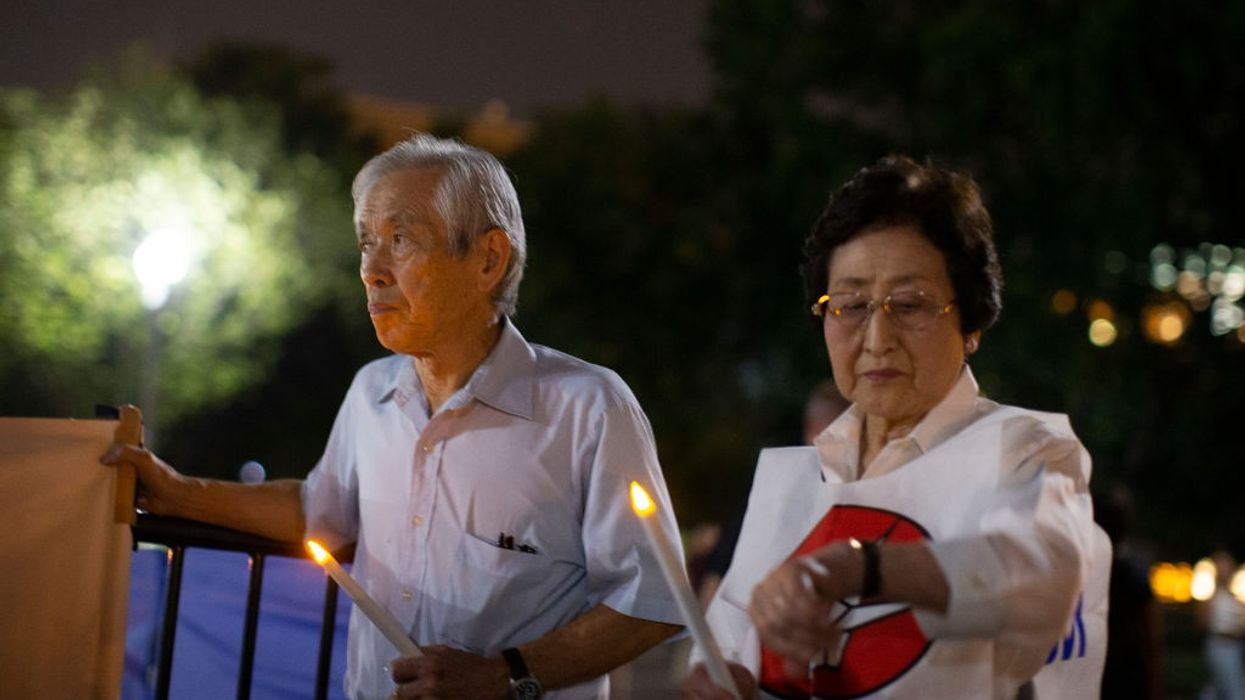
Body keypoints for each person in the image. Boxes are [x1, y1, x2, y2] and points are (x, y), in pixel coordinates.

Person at [103, 134, 684, 700]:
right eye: (365, 244)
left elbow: (653, 602)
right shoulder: (371, 393)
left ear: (488, 259)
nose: (372, 271)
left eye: (401, 239)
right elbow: (317, 511)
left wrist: (501, 677)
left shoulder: (587, 409)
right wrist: (178, 494)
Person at [683, 155, 1109, 699]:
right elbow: (726, 646)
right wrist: (719, 680)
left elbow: (1039, 578)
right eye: (850, 305)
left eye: (910, 304)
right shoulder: (795, 482)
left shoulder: (1024, 448)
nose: (877, 336)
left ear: (972, 323)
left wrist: (857, 565)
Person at [1200, 549, 1245, 700]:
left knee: (1218, 687)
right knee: (1234, 688)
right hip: (1219, 644)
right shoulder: (1211, 596)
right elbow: (1203, 621)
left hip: (1235, 644)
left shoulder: (1235, 597)